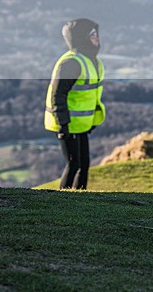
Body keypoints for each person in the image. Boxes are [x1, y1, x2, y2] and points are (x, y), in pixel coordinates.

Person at [44, 18, 105, 190]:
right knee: (73, 163)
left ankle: (79, 199)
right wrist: (63, 124)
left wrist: (90, 121)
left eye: (97, 34)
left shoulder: (92, 61)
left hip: (81, 124)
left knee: (84, 164)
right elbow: (58, 95)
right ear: (82, 38)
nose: (97, 38)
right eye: (92, 35)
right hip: (66, 123)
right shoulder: (72, 63)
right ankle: (62, 200)